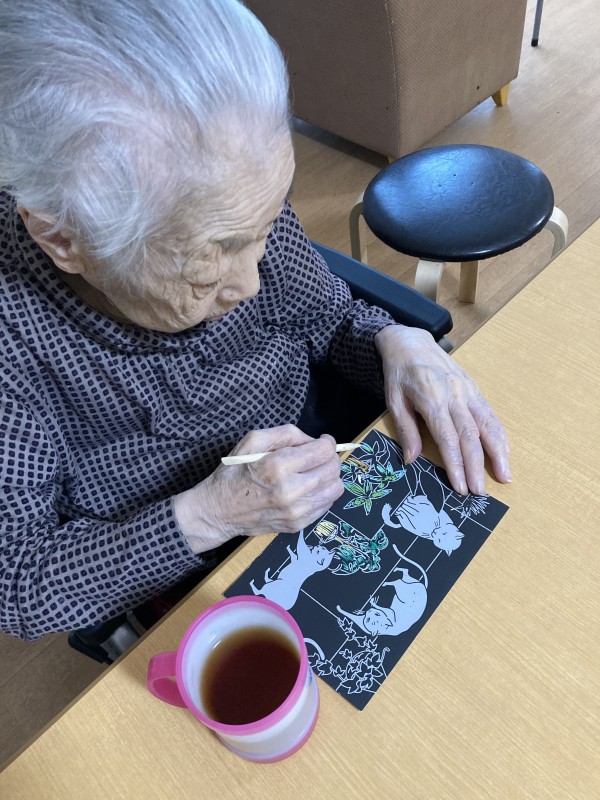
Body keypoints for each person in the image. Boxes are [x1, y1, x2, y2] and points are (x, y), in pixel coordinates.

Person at [0, 0, 510, 641]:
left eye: (265, 229)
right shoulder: (13, 342)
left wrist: (393, 339)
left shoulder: (228, 176)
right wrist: (211, 515)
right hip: (177, 553)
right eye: (208, 265)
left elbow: (325, 316)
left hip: (317, 441)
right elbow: (18, 587)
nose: (250, 285)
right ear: (62, 239)